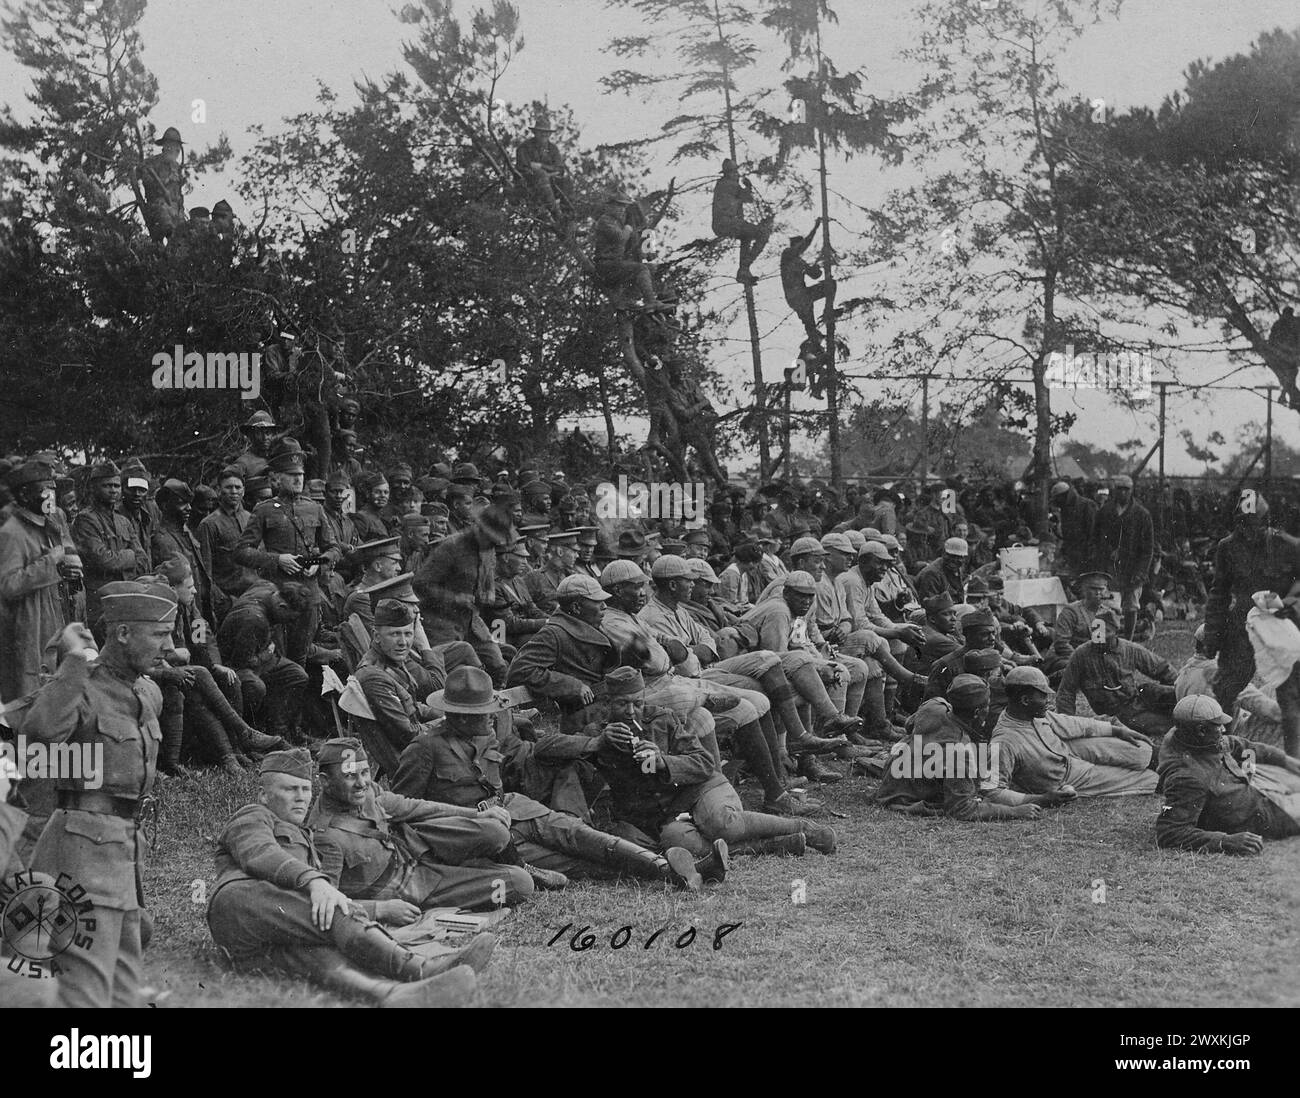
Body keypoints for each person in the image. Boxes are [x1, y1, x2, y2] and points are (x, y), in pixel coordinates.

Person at [389, 672, 721, 890]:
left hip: (513, 811)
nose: (494, 717)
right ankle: (669, 873)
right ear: (460, 716)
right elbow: (404, 812)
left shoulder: (484, 736)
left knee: (579, 834)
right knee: (574, 863)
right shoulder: (424, 748)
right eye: (485, 712)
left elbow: (527, 757)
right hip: (475, 837)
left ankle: (677, 868)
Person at [207, 748, 483, 1007]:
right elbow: (259, 852)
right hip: (240, 905)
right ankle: (420, 967)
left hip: (251, 946)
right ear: (264, 795)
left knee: (318, 951)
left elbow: (320, 900)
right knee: (334, 910)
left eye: (305, 789)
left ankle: (393, 994)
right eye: (290, 789)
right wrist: (314, 881)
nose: (301, 797)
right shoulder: (253, 815)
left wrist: (369, 908)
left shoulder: (310, 838)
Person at [22, 585, 176, 1006]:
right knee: (85, 987)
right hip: (84, 851)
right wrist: (74, 662)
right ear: (123, 633)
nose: (171, 647)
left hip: (125, 849)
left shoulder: (147, 692)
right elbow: (38, 736)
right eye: (160, 634)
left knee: (125, 982)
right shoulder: (82, 685)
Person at [590, 667, 836, 857]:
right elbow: (557, 745)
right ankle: (770, 846)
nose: (632, 711)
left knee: (721, 825)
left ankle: (803, 827)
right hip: (668, 813)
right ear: (609, 703)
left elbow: (704, 763)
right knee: (678, 842)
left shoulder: (662, 720)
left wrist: (663, 761)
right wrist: (599, 742)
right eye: (623, 704)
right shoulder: (597, 732)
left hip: (701, 788)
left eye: (638, 703)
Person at [310, 736, 540, 910]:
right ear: (325, 782)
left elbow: (412, 807)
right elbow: (326, 902)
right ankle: (480, 870)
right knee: (520, 883)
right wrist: (381, 910)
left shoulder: (366, 791)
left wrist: (475, 815)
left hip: (413, 846)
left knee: (495, 831)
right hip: (408, 888)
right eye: (350, 776)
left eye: (364, 773)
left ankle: (477, 867)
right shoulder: (324, 835)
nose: (362, 783)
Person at [876, 676, 1053, 820]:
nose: (988, 711)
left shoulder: (934, 706)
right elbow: (962, 809)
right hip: (903, 795)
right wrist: (1015, 811)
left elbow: (910, 724)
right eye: (986, 706)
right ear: (977, 713)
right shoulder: (960, 750)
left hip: (893, 778)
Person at [1203, 492, 1300, 740]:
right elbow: (1219, 594)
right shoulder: (1227, 547)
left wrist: (1289, 602)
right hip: (1243, 624)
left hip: (1280, 622)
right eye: (1242, 523)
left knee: (1289, 693)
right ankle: (1220, 744)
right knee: (1225, 687)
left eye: (1253, 524)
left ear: (1266, 522)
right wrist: (1213, 637)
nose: (1247, 531)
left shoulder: (1287, 545)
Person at [1155, 694, 1300, 854]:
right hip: (1258, 816)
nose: (1223, 729)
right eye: (1218, 725)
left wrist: (1287, 761)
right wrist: (1225, 841)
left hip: (1253, 784)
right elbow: (1170, 832)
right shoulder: (1187, 776)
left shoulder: (1191, 735)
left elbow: (1244, 747)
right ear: (1201, 730)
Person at [988, 666, 1158, 799]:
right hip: (1066, 778)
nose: (1049, 701)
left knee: (1141, 750)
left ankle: (1163, 758)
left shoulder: (1029, 712)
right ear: (1025, 700)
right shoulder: (1004, 742)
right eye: (1043, 697)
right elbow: (992, 791)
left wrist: (1116, 731)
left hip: (1069, 751)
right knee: (1148, 779)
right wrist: (1040, 799)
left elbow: (1072, 724)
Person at [0, 461, 81, 701]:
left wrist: (67, 573)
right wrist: (51, 561)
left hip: (52, 622)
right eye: (45, 490)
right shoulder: (11, 533)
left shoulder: (49, 524)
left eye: (54, 489)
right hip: (27, 630)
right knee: (29, 697)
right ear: (24, 494)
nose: (52, 496)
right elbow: (8, 585)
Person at [412, 502, 514, 684]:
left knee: (499, 664)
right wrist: (455, 598)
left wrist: (487, 593)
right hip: (441, 623)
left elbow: (487, 579)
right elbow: (420, 584)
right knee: (468, 672)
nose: (492, 544)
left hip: (472, 621)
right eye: (490, 539)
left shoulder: (488, 551)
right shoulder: (451, 547)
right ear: (478, 529)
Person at [1055, 609, 1176, 742]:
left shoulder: (1129, 649)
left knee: (1174, 694)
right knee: (1167, 723)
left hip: (1141, 696)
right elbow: (1066, 691)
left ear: (1115, 632)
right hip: (1123, 714)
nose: (1099, 637)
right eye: (1095, 632)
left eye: (1105, 632)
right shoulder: (1081, 655)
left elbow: (1163, 668)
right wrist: (1067, 724)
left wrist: (1177, 687)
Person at [72, 461, 146, 632]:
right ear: (93, 488)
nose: (113, 490)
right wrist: (129, 556)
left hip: (126, 598)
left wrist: (126, 559)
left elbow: (143, 560)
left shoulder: (123, 521)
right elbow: (102, 560)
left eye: (116, 486)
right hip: (99, 602)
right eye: (107, 485)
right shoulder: (85, 520)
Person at [1091, 474, 1154, 639]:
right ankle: (1099, 640)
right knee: (1105, 605)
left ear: (1132, 491)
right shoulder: (1104, 512)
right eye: (1120, 489)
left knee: (1131, 606)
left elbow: (1148, 549)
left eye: (1127, 490)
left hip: (1132, 568)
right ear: (1114, 490)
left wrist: (1141, 571)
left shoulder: (1142, 514)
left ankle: (1129, 640)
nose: (1123, 493)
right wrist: (1105, 553)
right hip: (1110, 567)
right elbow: (1096, 539)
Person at [591, 191, 670, 309]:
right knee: (640, 269)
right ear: (609, 206)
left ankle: (629, 300)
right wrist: (628, 229)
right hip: (605, 266)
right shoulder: (605, 220)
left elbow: (630, 246)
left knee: (649, 268)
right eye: (618, 206)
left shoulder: (617, 223)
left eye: (624, 207)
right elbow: (621, 239)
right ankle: (650, 302)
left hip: (614, 265)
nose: (622, 209)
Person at [711, 159, 772, 285]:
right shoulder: (729, 184)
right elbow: (748, 198)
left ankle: (744, 271)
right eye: (734, 172)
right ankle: (743, 269)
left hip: (722, 224)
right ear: (728, 173)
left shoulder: (722, 184)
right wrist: (748, 186)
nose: (737, 174)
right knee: (763, 233)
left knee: (747, 236)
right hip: (727, 223)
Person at [514, 109, 574, 223]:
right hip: (530, 185)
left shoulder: (552, 148)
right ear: (535, 132)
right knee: (541, 175)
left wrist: (542, 166)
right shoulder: (524, 147)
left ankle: (568, 218)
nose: (544, 135)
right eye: (541, 132)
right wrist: (541, 173)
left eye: (547, 132)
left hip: (550, 183)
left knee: (566, 180)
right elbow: (523, 169)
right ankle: (557, 216)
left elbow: (560, 169)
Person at [779, 220, 835, 340]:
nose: (802, 250)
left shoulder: (797, 261)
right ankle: (827, 312)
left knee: (811, 328)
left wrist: (819, 264)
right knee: (830, 285)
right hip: (800, 296)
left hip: (797, 299)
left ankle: (814, 341)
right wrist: (815, 228)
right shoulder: (788, 254)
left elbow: (815, 275)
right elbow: (806, 244)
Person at [139, 126, 185, 242]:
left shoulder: (177, 168)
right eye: (169, 145)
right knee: (168, 229)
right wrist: (166, 181)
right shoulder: (152, 163)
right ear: (164, 146)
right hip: (158, 207)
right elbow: (147, 184)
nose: (172, 149)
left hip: (176, 210)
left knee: (184, 237)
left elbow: (179, 195)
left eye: (175, 147)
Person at [229, 410, 278, 485]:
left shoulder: (278, 458)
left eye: (268, 433)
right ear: (250, 435)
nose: (265, 437)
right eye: (259, 433)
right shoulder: (242, 464)